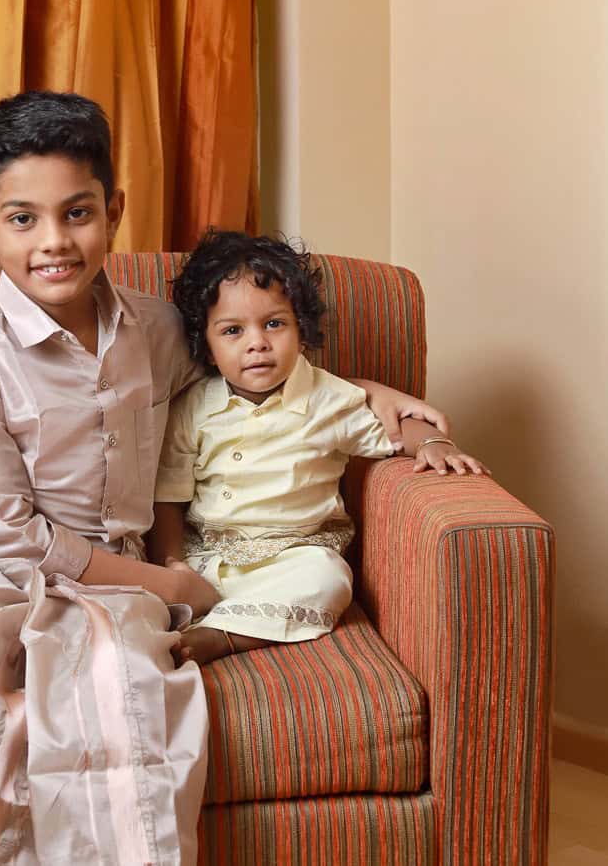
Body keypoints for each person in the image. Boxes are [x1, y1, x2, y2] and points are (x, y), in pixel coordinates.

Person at [0, 92, 453, 866]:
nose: (54, 242)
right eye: (22, 219)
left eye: (76, 213)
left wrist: (399, 408)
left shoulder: (160, 328)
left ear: (112, 211)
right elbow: (2, 531)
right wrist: (172, 587)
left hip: (121, 565)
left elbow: (284, 379)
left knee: (123, 708)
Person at [150, 229, 489, 667]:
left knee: (329, 579)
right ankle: (208, 612)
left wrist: (433, 442)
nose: (257, 343)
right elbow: (169, 498)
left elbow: (398, 424)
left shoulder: (328, 399)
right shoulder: (193, 408)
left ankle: (224, 635)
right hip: (211, 556)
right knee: (159, 592)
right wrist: (172, 565)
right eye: (233, 330)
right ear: (208, 348)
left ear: (302, 331)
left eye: (274, 324)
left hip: (294, 558)